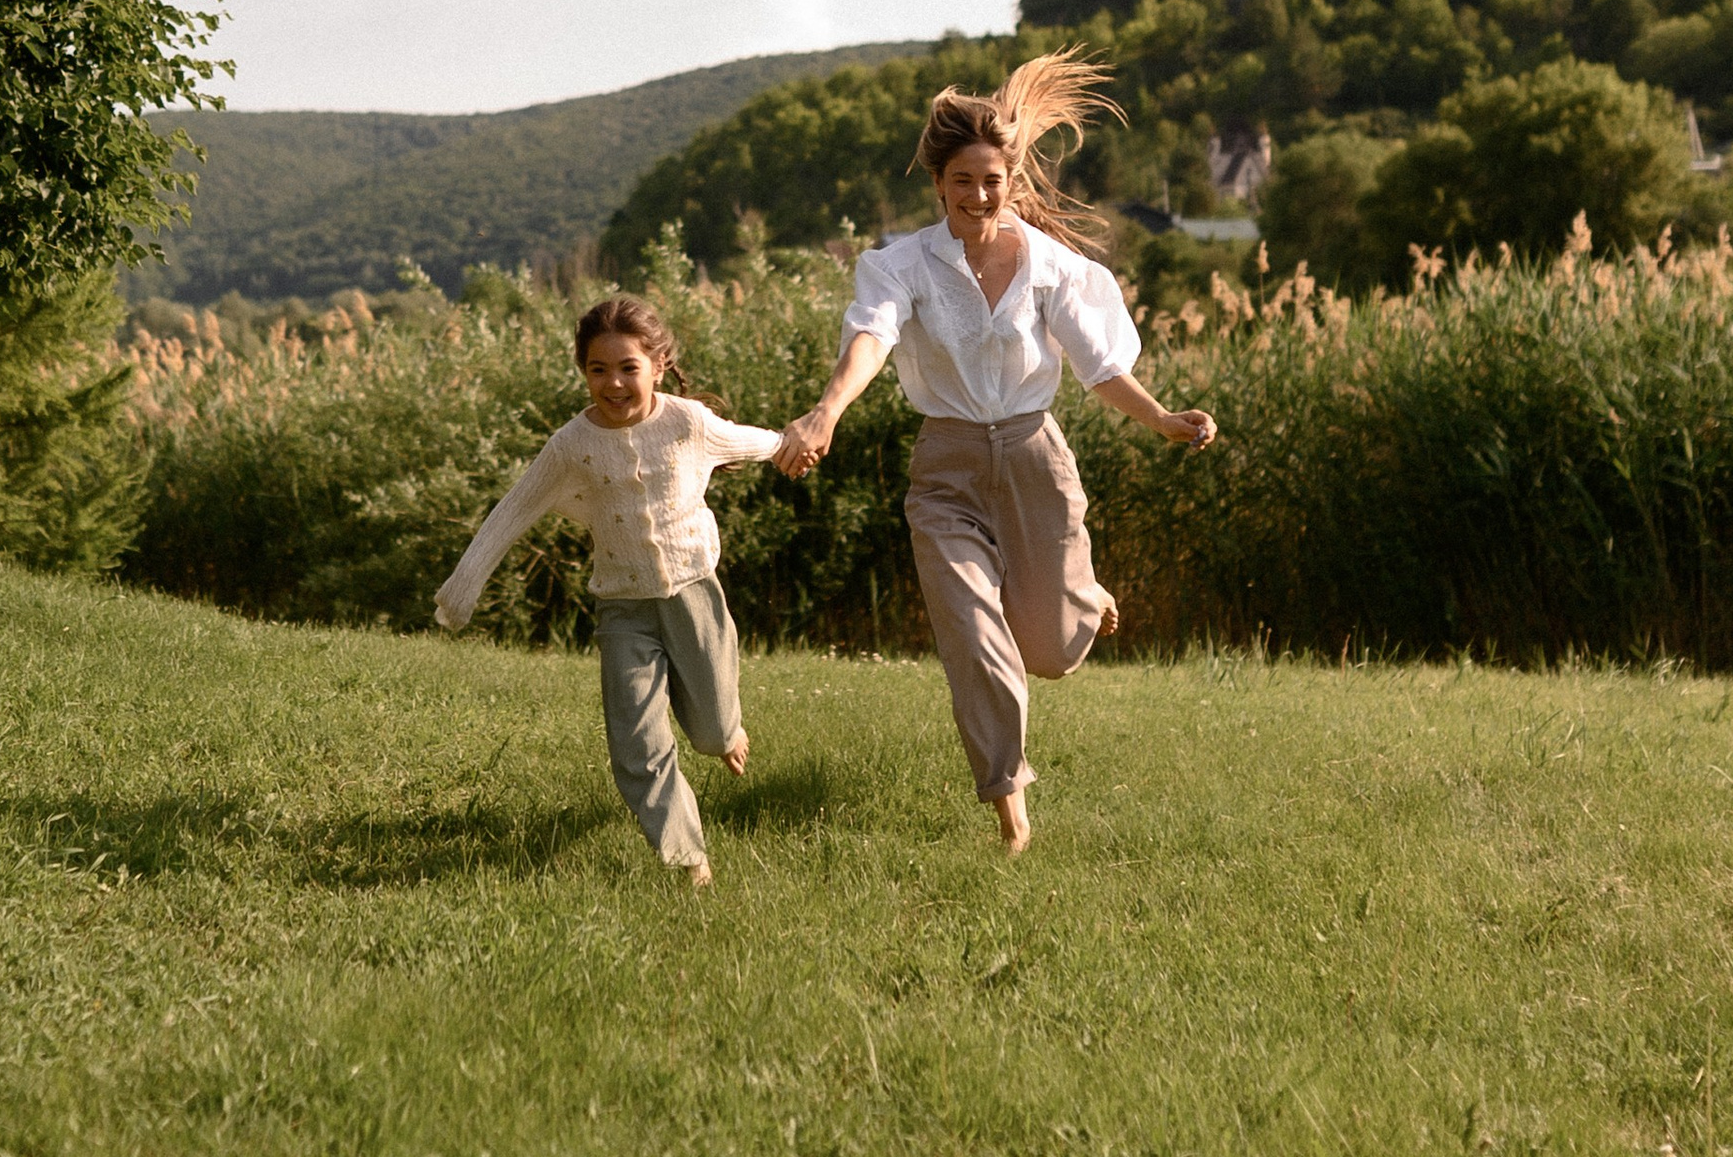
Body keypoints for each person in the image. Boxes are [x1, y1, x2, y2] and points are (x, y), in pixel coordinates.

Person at [774, 51, 1216, 851]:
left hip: (1032, 457)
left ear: (1011, 180)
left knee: (1047, 653)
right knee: (975, 640)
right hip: (944, 471)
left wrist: (1165, 422)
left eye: (992, 180)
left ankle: (1079, 594)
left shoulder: (1053, 269)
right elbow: (870, 339)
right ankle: (1012, 810)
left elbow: (1100, 368)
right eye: (962, 182)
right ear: (938, 185)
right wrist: (827, 411)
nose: (978, 196)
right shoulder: (899, 265)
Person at [434, 291, 781, 892]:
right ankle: (687, 859)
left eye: (628, 368)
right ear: (583, 372)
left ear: (659, 366)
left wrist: (798, 440)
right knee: (637, 742)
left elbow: (757, 442)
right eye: (599, 370)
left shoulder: (688, 424)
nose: (614, 384)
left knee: (711, 730)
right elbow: (512, 513)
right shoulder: (571, 445)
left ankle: (727, 730)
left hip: (694, 595)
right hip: (624, 608)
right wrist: (461, 590)